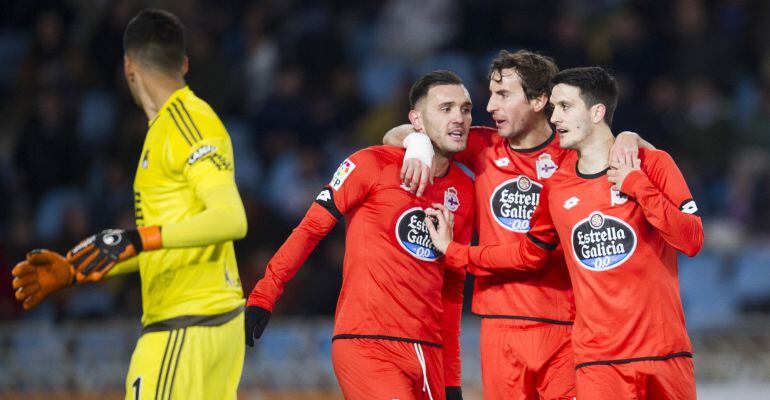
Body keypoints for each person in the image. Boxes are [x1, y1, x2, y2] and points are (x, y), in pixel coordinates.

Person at [384, 50, 653, 400]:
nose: (491, 106)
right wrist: (416, 142)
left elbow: (638, 154)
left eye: (504, 95)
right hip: (499, 326)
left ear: (540, 100)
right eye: (492, 94)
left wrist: (630, 136)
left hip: (566, 327)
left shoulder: (572, 149)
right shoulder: (483, 146)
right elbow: (398, 133)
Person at [11, 9, 248, 399]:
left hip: (186, 326)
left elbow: (230, 219)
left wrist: (141, 238)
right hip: (202, 325)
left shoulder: (188, 123)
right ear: (183, 63)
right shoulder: (169, 127)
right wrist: (74, 268)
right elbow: (162, 240)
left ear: (128, 65)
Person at [427, 66, 703, 400]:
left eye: (565, 107)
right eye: (555, 107)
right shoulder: (556, 187)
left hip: (661, 353)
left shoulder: (648, 163)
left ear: (596, 112)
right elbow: (529, 252)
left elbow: (691, 239)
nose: (555, 117)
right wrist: (454, 250)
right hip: (595, 361)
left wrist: (636, 180)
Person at [244, 70, 476, 400]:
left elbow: (452, 291)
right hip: (367, 344)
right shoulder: (369, 164)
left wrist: (451, 379)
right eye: (446, 108)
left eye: (466, 109)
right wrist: (264, 294)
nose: (459, 118)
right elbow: (310, 230)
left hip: (429, 354)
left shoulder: (465, 191)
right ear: (416, 120)